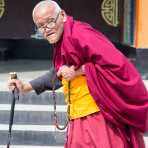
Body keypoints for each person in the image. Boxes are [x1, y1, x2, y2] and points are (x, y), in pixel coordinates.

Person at [8, 0, 148, 147]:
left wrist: (78, 71)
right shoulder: (64, 38)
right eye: (40, 26)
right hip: (79, 115)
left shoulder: (81, 34)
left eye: (50, 22)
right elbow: (60, 72)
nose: (46, 29)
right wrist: (25, 86)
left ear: (62, 15)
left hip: (98, 118)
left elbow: (118, 64)